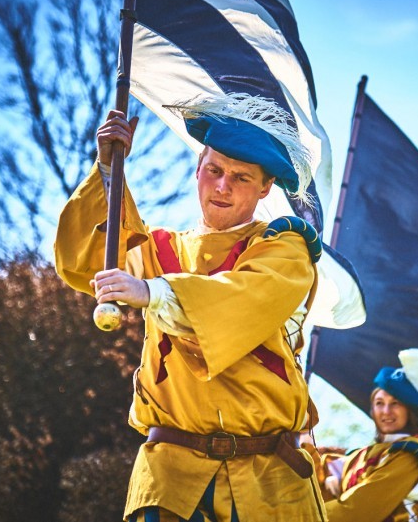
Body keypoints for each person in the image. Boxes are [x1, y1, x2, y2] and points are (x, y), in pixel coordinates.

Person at [54, 93, 327, 521]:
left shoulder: (285, 248)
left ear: (265, 187)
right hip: (170, 483)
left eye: (240, 177)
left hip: (269, 486)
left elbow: (242, 297)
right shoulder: (159, 250)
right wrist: (109, 170)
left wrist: (152, 293)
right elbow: (87, 263)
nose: (222, 186)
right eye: (215, 170)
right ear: (198, 167)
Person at [319, 349, 418, 522]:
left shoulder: (408, 456)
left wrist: (298, 517)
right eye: (379, 403)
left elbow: (357, 512)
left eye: (395, 403)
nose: (386, 411)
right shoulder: (363, 455)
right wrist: (301, 439)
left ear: (409, 410)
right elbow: (318, 479)